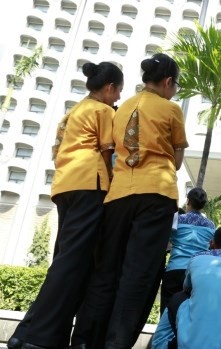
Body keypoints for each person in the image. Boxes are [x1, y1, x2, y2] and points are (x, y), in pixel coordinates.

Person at [71, 53, 188, 349]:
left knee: (106, 269)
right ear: (167, 82)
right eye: (175, 86)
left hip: (118, 194)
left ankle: (85, 340)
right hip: (156, 194)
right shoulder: (171, 109)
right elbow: (175, 160)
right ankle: (117, 343)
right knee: (140, 273)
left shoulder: (119, 109)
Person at [7, 62, 123, 349]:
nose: (118, 98)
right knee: (72, 262)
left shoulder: (74, 111)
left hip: (65, 185)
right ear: (109, 87)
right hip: (89, 184)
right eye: (118, 91)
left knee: (66, 259)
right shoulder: (104, 111)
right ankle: (38, 336)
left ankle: (27, 332)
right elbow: (109, 154)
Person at [151, 225, 221, 349]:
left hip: (190, 344)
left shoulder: (197, 258)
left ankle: (159, 345)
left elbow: (187, 288)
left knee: (178, 297)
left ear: (211, 244)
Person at [160, 188, 215, 314]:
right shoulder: (211, 225)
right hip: (197, 272)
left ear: (188, 201)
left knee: (167, 312)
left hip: (174, 269)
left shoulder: (177, 220)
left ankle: (164, 333)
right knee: (191, 313)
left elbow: (165, 239)